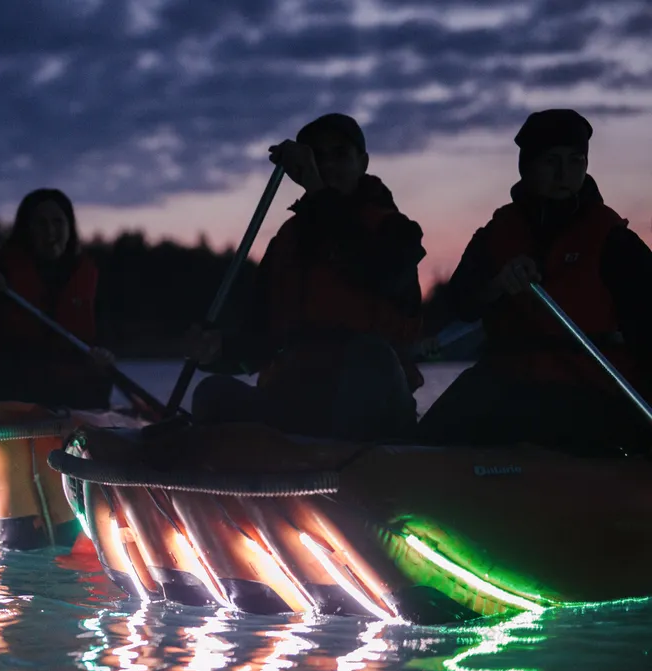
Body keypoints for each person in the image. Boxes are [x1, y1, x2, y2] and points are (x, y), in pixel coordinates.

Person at [418, 109, 652, 453]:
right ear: (527, 167)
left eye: (576, 161)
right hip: (507, 381)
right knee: (429, 439)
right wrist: (498, 285)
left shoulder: (613, 240)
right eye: (551, 162)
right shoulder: (495, 235)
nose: (565, 174)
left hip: (588, 387)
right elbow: (459, 304)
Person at [187, 113, 427, 441]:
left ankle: (353, 470)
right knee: (211, 393)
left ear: (363, 163)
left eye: (340, 154)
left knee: (370, 357)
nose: (328, 165)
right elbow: (258, 344)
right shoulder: (285, 245)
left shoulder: (396, 232)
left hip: (374, 403)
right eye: (317, 156)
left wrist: (316, 192)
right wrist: (217, 351)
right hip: (298, 403)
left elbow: (377, 271)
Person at [0, 188, 117, 410]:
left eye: (57, 222)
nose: (50, 231)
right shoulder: (1, 270)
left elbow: (104, 337)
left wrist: (104, 358)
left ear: (69, 227)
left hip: (74, 398)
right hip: (13, 394)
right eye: (41, 224)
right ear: (27, 229)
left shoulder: (90, 275)